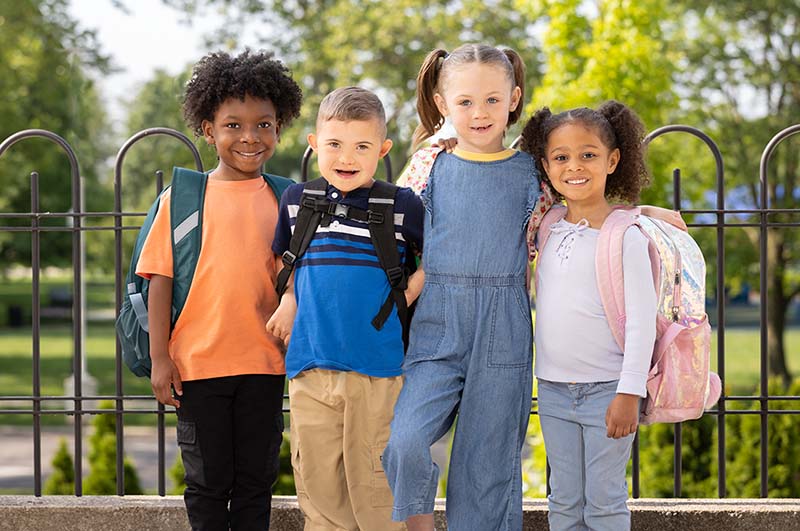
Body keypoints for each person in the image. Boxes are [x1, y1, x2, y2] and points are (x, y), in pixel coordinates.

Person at [136, 50, 302, 531]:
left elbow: (294, 279)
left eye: (264, 125)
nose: (250, 137)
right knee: (207, 485)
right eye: (233, 125)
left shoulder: (285, 199)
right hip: (197, 368)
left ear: (278, 128)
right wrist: (161, 358)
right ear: (208, 129)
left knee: (256, 482)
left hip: (265, 365)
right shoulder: (183, 199)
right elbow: (159, 281)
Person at [381, 43, 539, 531]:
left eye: (493, 99)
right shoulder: (429, 166)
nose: (480, 112)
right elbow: (390, 232)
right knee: (405, 440)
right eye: (466, 101)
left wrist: (639, 212)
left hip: (504, 327)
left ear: (513, 99)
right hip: (436, 324)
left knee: (487, 468)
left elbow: (579, 218)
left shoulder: (533, 171)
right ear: (443, 102)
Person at [266, 86, 425, 531]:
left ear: (383, 150)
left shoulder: (401, 206)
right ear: (314, 144)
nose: (346, 157)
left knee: (377, 498)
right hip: (310, 368)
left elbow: (440, 256)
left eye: (362, 146)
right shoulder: (297, 201)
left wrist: (405, 296)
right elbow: (288, 259)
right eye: (334, 144)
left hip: (377, 372)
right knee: (320, 498)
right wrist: (290, 298)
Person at [520, 101, 657, 531]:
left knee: (604, 502)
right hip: (555, 390)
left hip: (608, 392)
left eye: (588, 155)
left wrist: (629, 393)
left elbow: (641, 322)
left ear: (612, 160)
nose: (574, 166)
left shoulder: (625, 236)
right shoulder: (549, 225)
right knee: (562, 501)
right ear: (545, 164)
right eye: (561, 157)